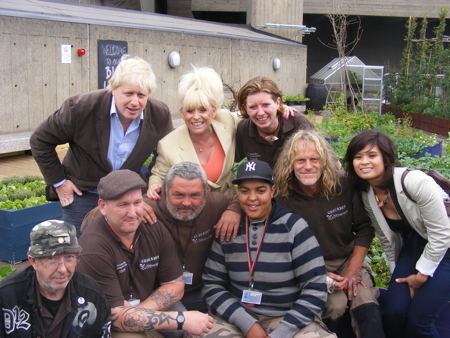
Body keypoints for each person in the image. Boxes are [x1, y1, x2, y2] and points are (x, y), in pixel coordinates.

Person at [30, 55, 173, 233]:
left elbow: (166, 154)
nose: (135, 102)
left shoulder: (160, 114)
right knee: (82, 251)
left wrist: (148, 188)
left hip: (128, 196)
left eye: (141, 95)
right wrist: (59, 182)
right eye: (128, 93)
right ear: (113, 89)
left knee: (126, 250)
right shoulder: (80, 108)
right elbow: (40, 140)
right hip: (83, 195)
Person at [202, 159, 336, 338]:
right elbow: (211, 284)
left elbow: (315, 288)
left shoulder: (294, 227)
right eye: (244, 191)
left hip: (287, 318)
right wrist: (248, 324)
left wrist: (282, 333)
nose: (252, 198)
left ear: (272, 191)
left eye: (260, 190)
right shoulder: (229, 227)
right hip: (237, 317)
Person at [274, 130, 384, 338]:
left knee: (364, 300)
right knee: (336, 306)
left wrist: (353, 270)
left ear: (324, 161)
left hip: (348, 259)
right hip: (311, 266)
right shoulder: (282, 198)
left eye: (314, 159)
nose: (308, 166)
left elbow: (364, 227)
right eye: (300, 160)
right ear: (290, 163)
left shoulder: (343, 184)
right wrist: (318, 276)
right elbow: (281, 248)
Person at [77, 169, 214, 337]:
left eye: (137, 202)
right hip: (108, 322)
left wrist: (139, 312)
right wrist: (180, 320)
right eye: (123, 205)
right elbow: (117, 318)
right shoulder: (93, 247)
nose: (133, 213)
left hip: (145, 304)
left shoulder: (151, 226)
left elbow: (176, 284)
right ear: (103, 207)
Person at [344, 130, 450, 338]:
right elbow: (386, 239)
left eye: (371, 155)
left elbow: (442, 234)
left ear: (386, 157)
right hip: (415, 248)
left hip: (446, 248)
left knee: (420, 320)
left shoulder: (414, 182)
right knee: (393, 310)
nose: (364, 162)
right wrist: (397, 275)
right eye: (358, 157)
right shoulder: (368, 194)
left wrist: (421, 276)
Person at [147, 162, 241, 312]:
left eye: (195, 195)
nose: (186, 203)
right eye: (179, 195)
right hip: (159, 293)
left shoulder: (215, 203)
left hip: (202, 291)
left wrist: (234, 210)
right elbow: (100, 213)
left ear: (206, 192)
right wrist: (134, 208)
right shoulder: (149, 208)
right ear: (165, 190)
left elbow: (238, 199)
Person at [0, 219, 111, 337]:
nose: (62, 269)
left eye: (69, 257)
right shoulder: (8, 296)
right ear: (33, 261)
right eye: (51, 259)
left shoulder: (92, 294)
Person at [148, 66, 237, 198]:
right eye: (190, 111)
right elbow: (158, 175)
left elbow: (253, 116)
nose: (195, 116)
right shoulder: (167, 145)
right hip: (193, 210)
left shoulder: (227, 120)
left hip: (229, 208)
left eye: (202, 110)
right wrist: (154, 186)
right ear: (182, 113)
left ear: (213, 111)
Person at [235, 77, 314, 167]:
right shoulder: (243, 129)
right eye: (253, 107)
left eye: (266, 105)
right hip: (262, 180)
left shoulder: (299, 124)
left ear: (278, 102)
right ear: (245, 108)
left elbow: (322, 159)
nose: (260, 113)